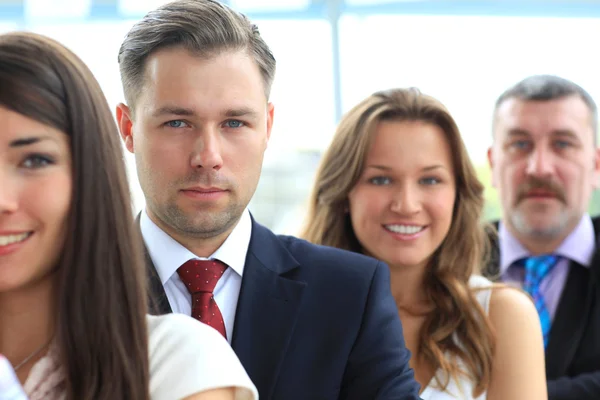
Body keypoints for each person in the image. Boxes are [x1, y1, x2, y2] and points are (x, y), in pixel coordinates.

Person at [115, 1, 420, 398]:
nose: (208, 156)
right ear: (128, 129)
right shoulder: (69, 294)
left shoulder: (349, 294)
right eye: (177, 122)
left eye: (234, 123)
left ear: (267, 127)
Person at [0, 31, 257, 400]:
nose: (2, 198)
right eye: (177, 122)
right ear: (128, 129)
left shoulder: (175, 363)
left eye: (35, 160)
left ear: (89, 173)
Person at [301, 87, 548, 399]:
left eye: (430, 180)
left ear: (458, 195)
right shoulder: (293, 312)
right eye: (380, 179)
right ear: (344, 192)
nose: (407, 204)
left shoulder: (502, 317)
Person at [486, 74, 600, 400]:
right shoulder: (445, 261)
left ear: (596, 165)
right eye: (520, 144)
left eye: (562, 144)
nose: (539, 168)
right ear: (493, 164)